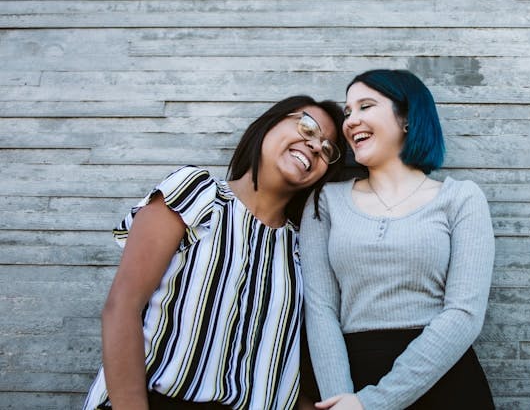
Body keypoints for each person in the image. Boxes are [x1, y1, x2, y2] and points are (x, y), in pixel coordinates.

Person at [83, 95, 346, 410]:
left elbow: (283, 369)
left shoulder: (302, 248)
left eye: (328, 149)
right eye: (307, 127)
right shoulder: (199, 195)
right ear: (270, 123)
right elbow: (122, 306)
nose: (316, 146)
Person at [299, 70, 495, 410]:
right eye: (348, 112)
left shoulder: (461, 198)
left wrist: (374, 403)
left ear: (406, 118)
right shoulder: (325, 201)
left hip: (443, 380)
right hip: (350, 380)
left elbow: (464, 313)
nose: (350, 121)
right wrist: (342, 401)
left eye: (365, 106)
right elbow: (320, 309)